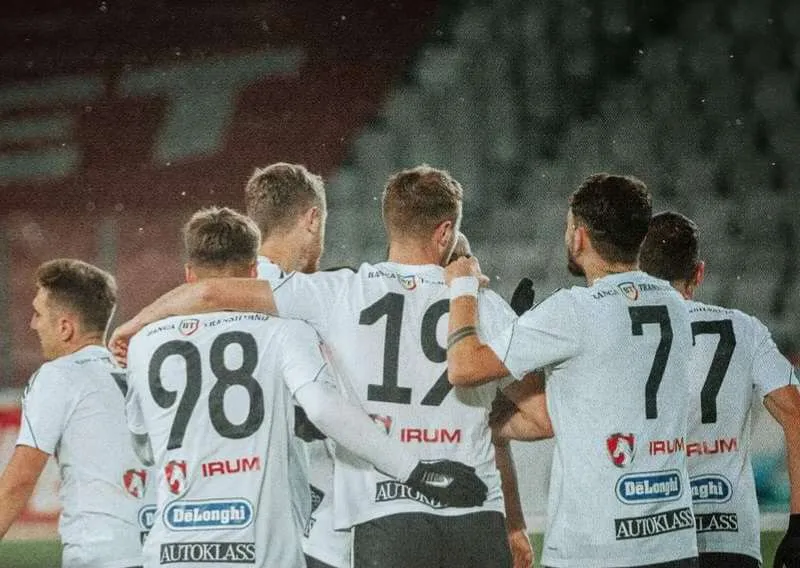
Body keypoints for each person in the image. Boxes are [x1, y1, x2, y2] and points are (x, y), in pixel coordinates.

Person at [110, 166, 526, 568]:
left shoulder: (320, 294)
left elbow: (205, 300)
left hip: (201, 533)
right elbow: (323, 409)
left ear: (189, 273)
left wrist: (137, 323)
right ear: (312, 219)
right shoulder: (304, 305)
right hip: (304, 531)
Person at [444, 173, 699, 567]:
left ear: (579, 237)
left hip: (595, 546)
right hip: (673, 543)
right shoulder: (676, 306)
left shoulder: (572, 311)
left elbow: (464, 366)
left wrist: (463, 287)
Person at [639, 211, 800, 568]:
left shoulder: (623, 332)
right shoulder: (745, 329)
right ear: (698, 273)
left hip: (650, 536)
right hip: (730, 534)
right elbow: (797, 416)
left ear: (640, 271)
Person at [0, 259, 150, 567]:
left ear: (65, 328)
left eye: (39, 314)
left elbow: (20, 481)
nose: (33, 324)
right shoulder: (138, 372)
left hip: (102, 554)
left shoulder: (59, 375)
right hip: (161, 550)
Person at [245, 162, 344, 568]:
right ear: (313, 219)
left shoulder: (219, 294)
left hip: (227, 518)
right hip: (307, 526)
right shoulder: (322, 296)